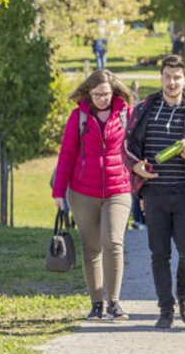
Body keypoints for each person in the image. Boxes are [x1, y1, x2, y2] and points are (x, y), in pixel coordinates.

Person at [124, 55, 185, 329]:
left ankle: (184, 294)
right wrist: (136, 167)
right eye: (167, 76)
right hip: (153, 192)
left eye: (177, 77)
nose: (172, 82)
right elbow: (127, 146)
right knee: (159, 254)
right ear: (161, 77)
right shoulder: (145, 109)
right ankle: (165, 308)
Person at [52, 69, 133, 321]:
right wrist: (58, 191)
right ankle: (96, 303)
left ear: (114, 91)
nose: (102, 99)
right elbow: (66, 154)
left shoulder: (126, 114)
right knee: (92, 248)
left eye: (106, 94)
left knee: (113, 242)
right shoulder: (78, 117)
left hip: (118, 188)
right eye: (97, 94)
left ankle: (114, 302)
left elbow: (137, 148)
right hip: (82, 192)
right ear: (89, 93)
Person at [128, 80, 145, 230]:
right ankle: (139, 220)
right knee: (135, 190)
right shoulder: (130, 113)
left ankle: (141, 219)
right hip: (133, 157)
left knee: (138, 189)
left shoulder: (139, 111)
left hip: (140, 156)